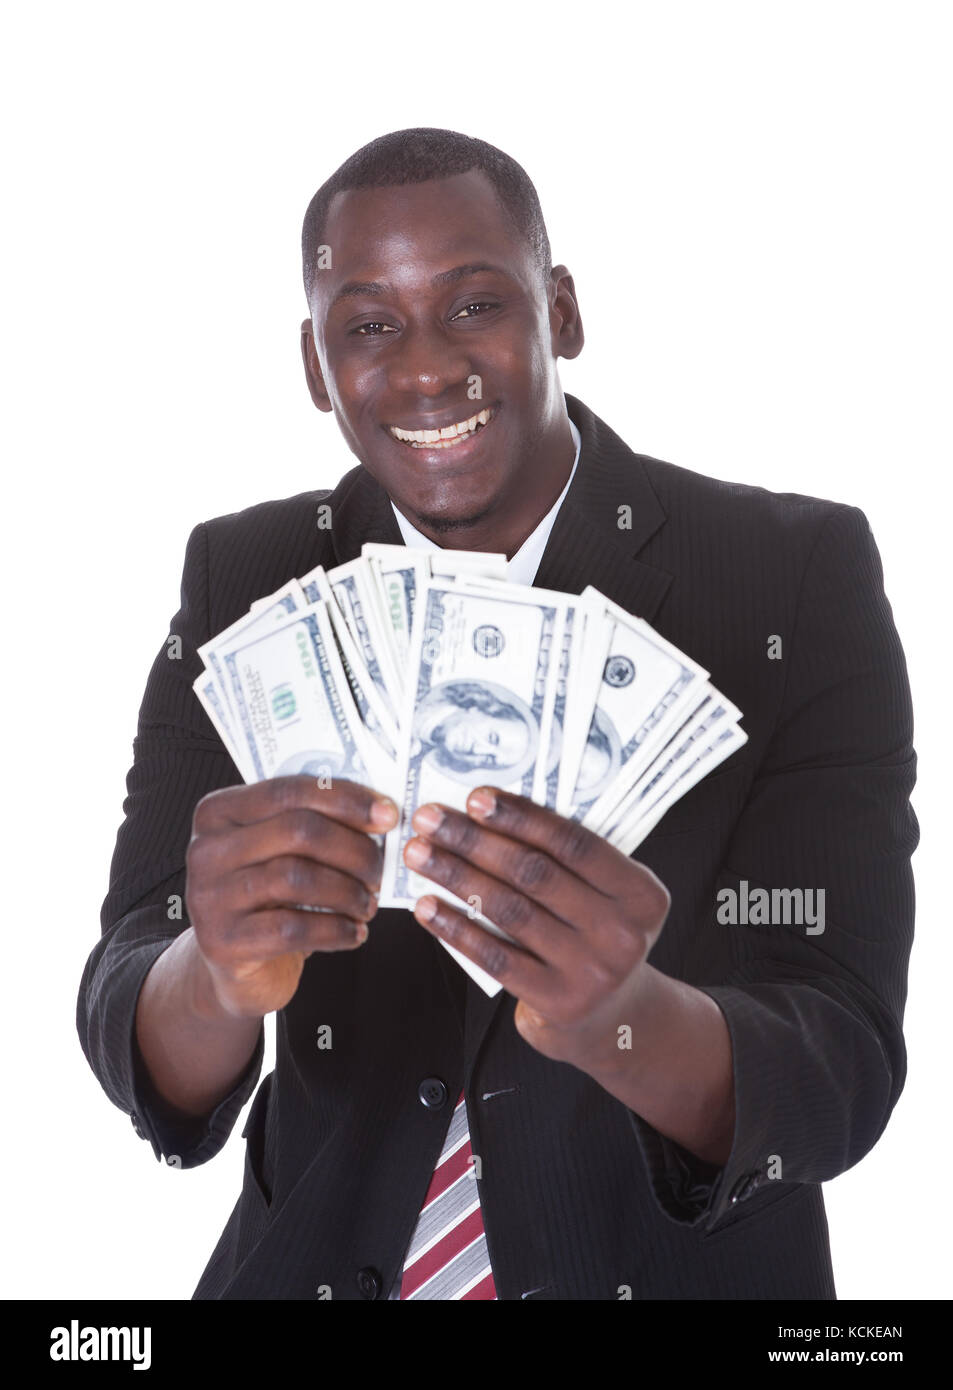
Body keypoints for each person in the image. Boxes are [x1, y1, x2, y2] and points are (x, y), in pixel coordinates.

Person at [77, 127, 918, 1300]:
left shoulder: (790, 575)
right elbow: (128, 990)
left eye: (475, 305)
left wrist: (624, 1019)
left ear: (560, 310)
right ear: (317, 368)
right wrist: (213, 978)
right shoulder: (250, 576)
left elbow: (840, 1061)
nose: (426, 370)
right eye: (367, 324)